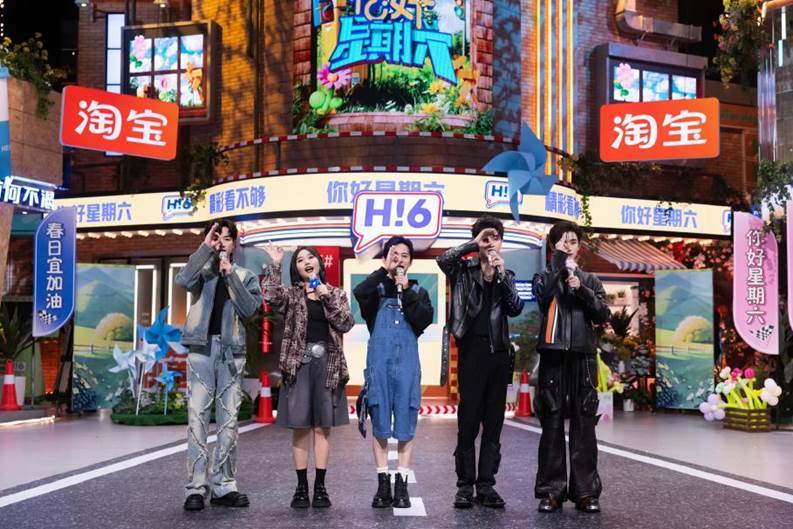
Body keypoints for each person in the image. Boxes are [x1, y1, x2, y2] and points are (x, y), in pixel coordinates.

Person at [436, 215, 524, 509]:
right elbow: (443, 259)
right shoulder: (463, 270)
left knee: (494, 422)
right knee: (468, 421)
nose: (491, 242)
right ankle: (464, 486)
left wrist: (502, 275)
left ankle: (486, 485)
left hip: (499, 354)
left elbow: (515, 307)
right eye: (485, 237)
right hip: (472, 351)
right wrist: (473, 244)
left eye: (495, 237)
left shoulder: (505, 274)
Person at [176, 220, 263, 511]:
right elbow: (182, 280)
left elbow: (250, 310)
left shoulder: (245, 275)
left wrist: (231, 276)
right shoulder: (201, 270)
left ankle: (224, 486)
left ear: (234, 244)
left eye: (227, 238)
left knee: (228, 422)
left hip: (232, 353)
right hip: (201, 351)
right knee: (197, 419)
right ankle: (196, 487)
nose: (222, 242)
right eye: (216, 237)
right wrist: (204, 250)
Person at [261, 244, 354, 509]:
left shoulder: (335, 293)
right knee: (301, 427)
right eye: (300, 260)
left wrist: (325, 296)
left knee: (323, 427)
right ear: (297, 269)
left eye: (310, 257)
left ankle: (320, 487)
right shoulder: (292, 295)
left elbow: (346, 323)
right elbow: (270, 296)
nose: (306, 262)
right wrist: (276, 264)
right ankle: (301, 488)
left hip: (328, 364)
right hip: (298, 364)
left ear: (319, 263)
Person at [533, 220, 610, 514]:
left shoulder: (590, 280)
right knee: (551, 424)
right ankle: (551, 492)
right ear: (554, 245)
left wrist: (582, 290)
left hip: (583, 357)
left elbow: (602, 314)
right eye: (563, 241)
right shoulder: (544, 276)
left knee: (584, 425)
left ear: (579, 247)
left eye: (573, 241)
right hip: (553, 356)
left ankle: (586, 492)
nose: (569, 245)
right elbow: (543, 297)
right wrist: (558, 264)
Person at [353, 236, 434, 509]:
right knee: (379, 423)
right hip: (379, 365)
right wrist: (384, 271)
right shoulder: (375, 291)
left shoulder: (419, 292)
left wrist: (405, 290)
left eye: (404, 255)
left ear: (411, 261)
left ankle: (401, 484)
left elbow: (422, 319)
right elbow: (359, 292)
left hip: (408, 367)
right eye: (394, 254)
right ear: (386, 257)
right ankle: (382, 484)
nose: (399, 258)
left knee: (406, 424)